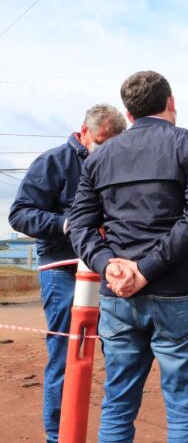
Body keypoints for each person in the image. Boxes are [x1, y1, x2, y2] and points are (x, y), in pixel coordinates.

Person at [68, 70, 188, 442]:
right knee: (183, 408)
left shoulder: (99, 158)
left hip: (117, 297)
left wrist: (109, 265)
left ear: (129, 114)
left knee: (117, 403)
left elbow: (80, 225)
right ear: (171, 102)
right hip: (177, 294)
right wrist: (147, 270)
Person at [8, 104, 127, 443]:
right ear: (84, 132)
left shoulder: (118, 164)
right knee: (65, 353)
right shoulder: (54, 162)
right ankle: (57, 436)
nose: (107, 149)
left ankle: (112, 434)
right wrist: (64, 224)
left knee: (119, 350)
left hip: (106, 267)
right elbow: (19, 215)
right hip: (63, 269)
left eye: (114, 143)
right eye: (102, 141)